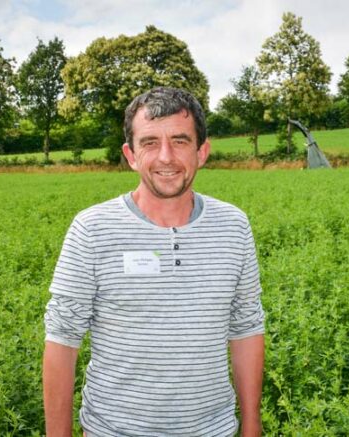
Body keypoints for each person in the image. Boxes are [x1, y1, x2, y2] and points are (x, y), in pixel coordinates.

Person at [43, 87, 265, 436]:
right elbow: (61, 338)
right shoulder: (92, 229)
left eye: (179, 140)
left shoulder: (234, 226)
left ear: (202, 151)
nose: (166, 157)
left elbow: (246, 326)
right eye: (149, 143)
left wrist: (252, 425)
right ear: (130, 155)